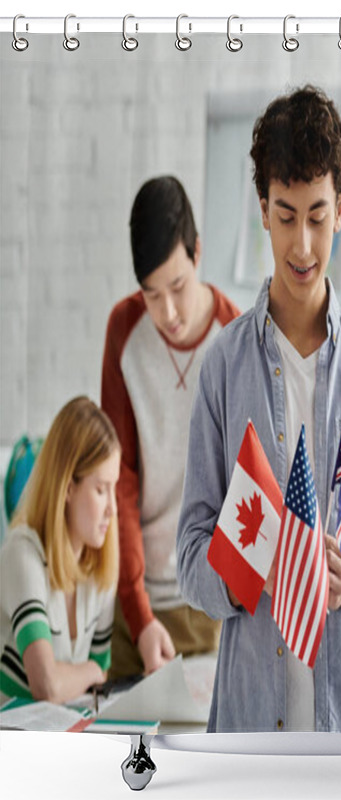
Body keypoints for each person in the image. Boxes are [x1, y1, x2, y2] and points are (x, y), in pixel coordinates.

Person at [176, 85, 341, 734]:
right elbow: (191, 548)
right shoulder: (223, 368)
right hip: (248, 723)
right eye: (286, 216)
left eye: (317, 215)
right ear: (262, 209)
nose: (303, 245)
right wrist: (238, 573)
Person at [101, 176, 240, 679]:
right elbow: (120, 481)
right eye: (152, 294)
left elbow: (244, 490)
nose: (169, 313)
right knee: (119, 756)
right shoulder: (125, 331)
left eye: (177, 287)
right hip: (135, 610)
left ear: (198, 252)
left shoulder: (235, 339)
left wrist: (229, 595)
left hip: (211, 608)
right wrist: (137, 615)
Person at [0, 397, 120, 704]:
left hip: (59, 738)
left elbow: (95, 687)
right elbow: (48, 686)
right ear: (68, 488)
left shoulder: (102, 568)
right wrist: (90, 669)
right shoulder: (22, 555)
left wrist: (86, 673)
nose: (113, 509)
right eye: (100, 489)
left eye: (114, 489)